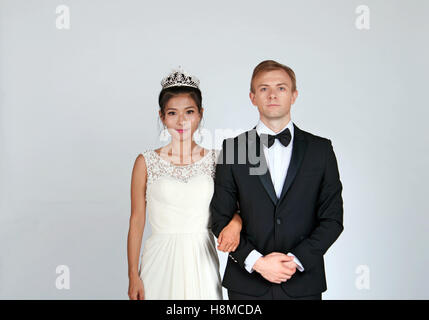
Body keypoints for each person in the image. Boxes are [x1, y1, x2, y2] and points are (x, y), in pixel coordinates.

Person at [210, 60, 344, 300]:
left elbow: (332, 219)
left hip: (303, 283)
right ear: (252, 97)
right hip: (246, 284)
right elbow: (220, 218)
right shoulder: (234, 149)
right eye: (263, 88)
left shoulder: (320, 150)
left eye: (281, 88)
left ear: (294, 95)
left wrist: (294, 261)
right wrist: (258, 262)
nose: (272, 95)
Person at [127, 68, 242, 300]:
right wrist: (133, 276)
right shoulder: (145, 162)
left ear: (200, 114)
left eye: (189, 112)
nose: (181, 121)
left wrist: (236, 224)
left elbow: (240, 207)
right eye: (172, 113)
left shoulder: (217, 159)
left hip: (202, 258)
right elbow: (137, 220)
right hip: (158, 259)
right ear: (162, 116)